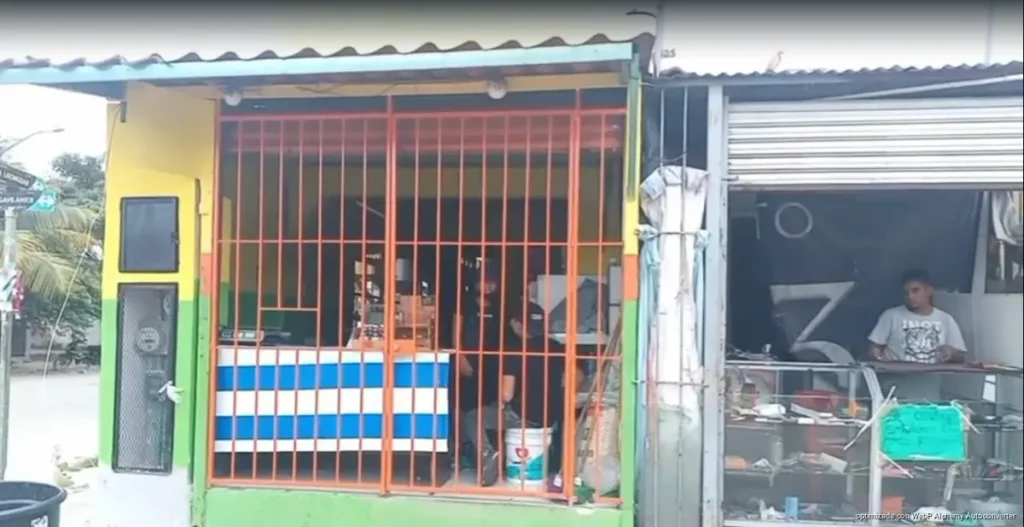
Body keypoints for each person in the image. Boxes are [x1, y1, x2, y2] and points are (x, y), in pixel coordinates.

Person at [463, 302, 573, 487]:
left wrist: (501, 402)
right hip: (553, 417)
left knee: (474, 416)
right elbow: (570, 379)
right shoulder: (559, 348)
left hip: (525, 417)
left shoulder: (516, 351)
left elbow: (506, 394)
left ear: (518, 324)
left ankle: (488, 455)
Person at [868, 268, 967, 365]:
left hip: (933, 375)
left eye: (915, 291)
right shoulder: (891, 316)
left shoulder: (945, 319)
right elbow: (874, 348)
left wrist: (951, 354)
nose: (910, 296)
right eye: (906, 292)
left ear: (929, 290)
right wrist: (876, 354)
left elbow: (961, 356)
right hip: (897, 374)